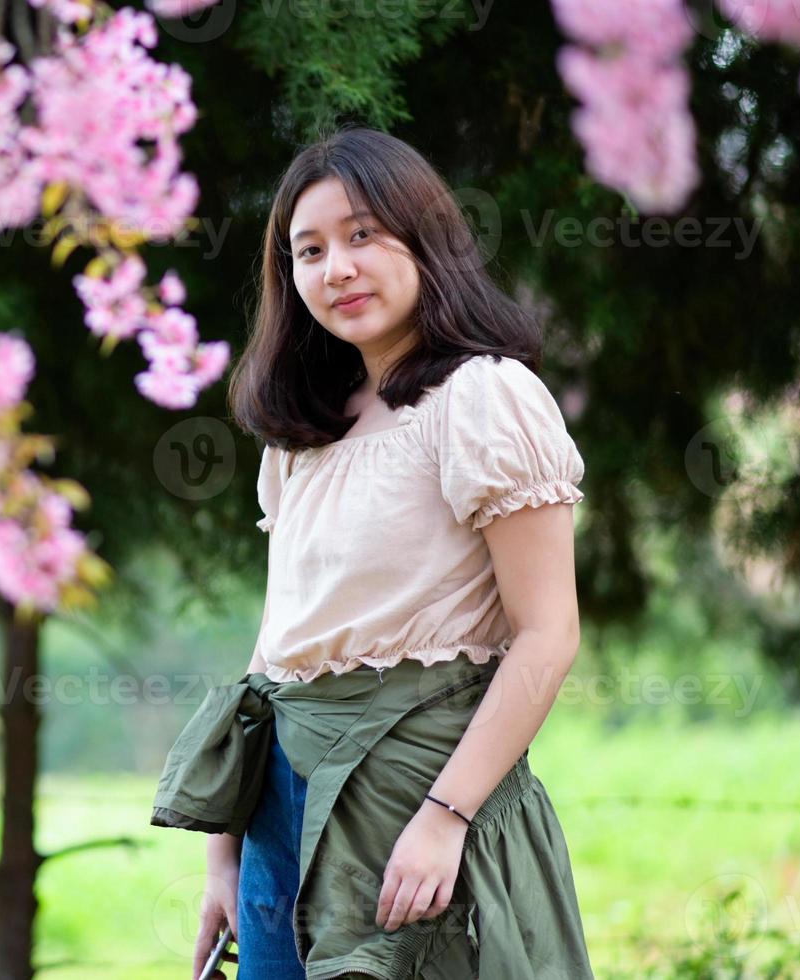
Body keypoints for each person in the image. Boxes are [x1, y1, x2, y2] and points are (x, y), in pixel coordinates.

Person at [159, 126, 597, 979]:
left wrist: (447, 816)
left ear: (426, 236)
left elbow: (548, 634)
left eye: (363, 235)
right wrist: (226, 856)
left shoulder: (485, 397)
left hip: (412, 802)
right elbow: (278, 650)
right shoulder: (304, 431)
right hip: (280, 815)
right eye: (309, 250)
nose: (338, 269)